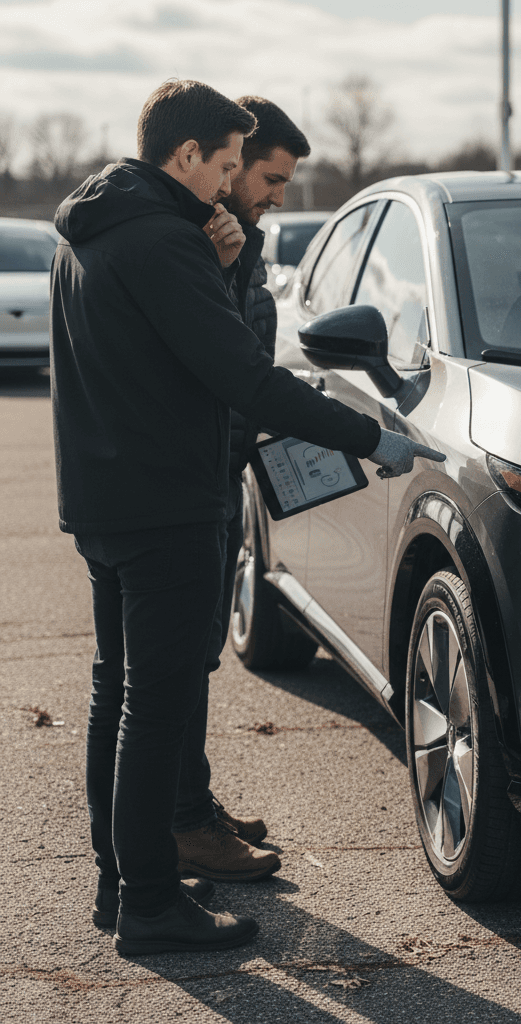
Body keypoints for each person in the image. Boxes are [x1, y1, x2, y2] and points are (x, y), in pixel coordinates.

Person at [50, 79, 442, 956]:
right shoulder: (165, 240)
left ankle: (119, 887)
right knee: (156, 705)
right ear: (184, 155)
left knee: (118, 694)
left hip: (104, 501)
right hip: (171, 503)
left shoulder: (86, 233)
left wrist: (224, 262)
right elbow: (247, 379)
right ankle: (152, 903)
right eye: (227, 164)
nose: (231, 183)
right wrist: (374, 440)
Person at [171, 96, 312, 885]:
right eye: (264, 177)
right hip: (190, 485)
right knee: (176, 670)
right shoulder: (195, 243)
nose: (275, 196)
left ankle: (193, 804)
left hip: (220, 474)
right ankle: (185, 825)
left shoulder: (235, 241)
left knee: (197, 664)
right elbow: (220, 359)